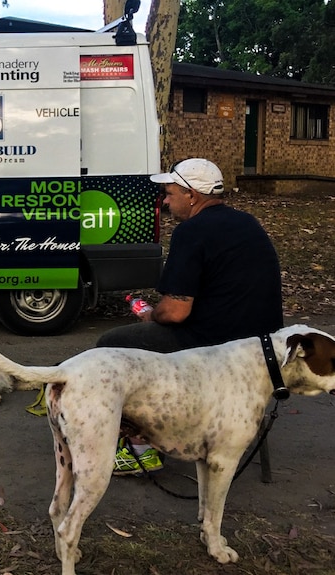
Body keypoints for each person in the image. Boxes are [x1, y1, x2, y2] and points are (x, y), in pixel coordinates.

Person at [98, 158, 283, 476]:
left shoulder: (192, 232)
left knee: (113, 344)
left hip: (216, 350)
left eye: (169, 194)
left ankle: (139, 449)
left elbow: (175, 311)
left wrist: (152, 315)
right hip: (261, 348)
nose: (166, 201)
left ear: (192, 195)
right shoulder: (247, 223)